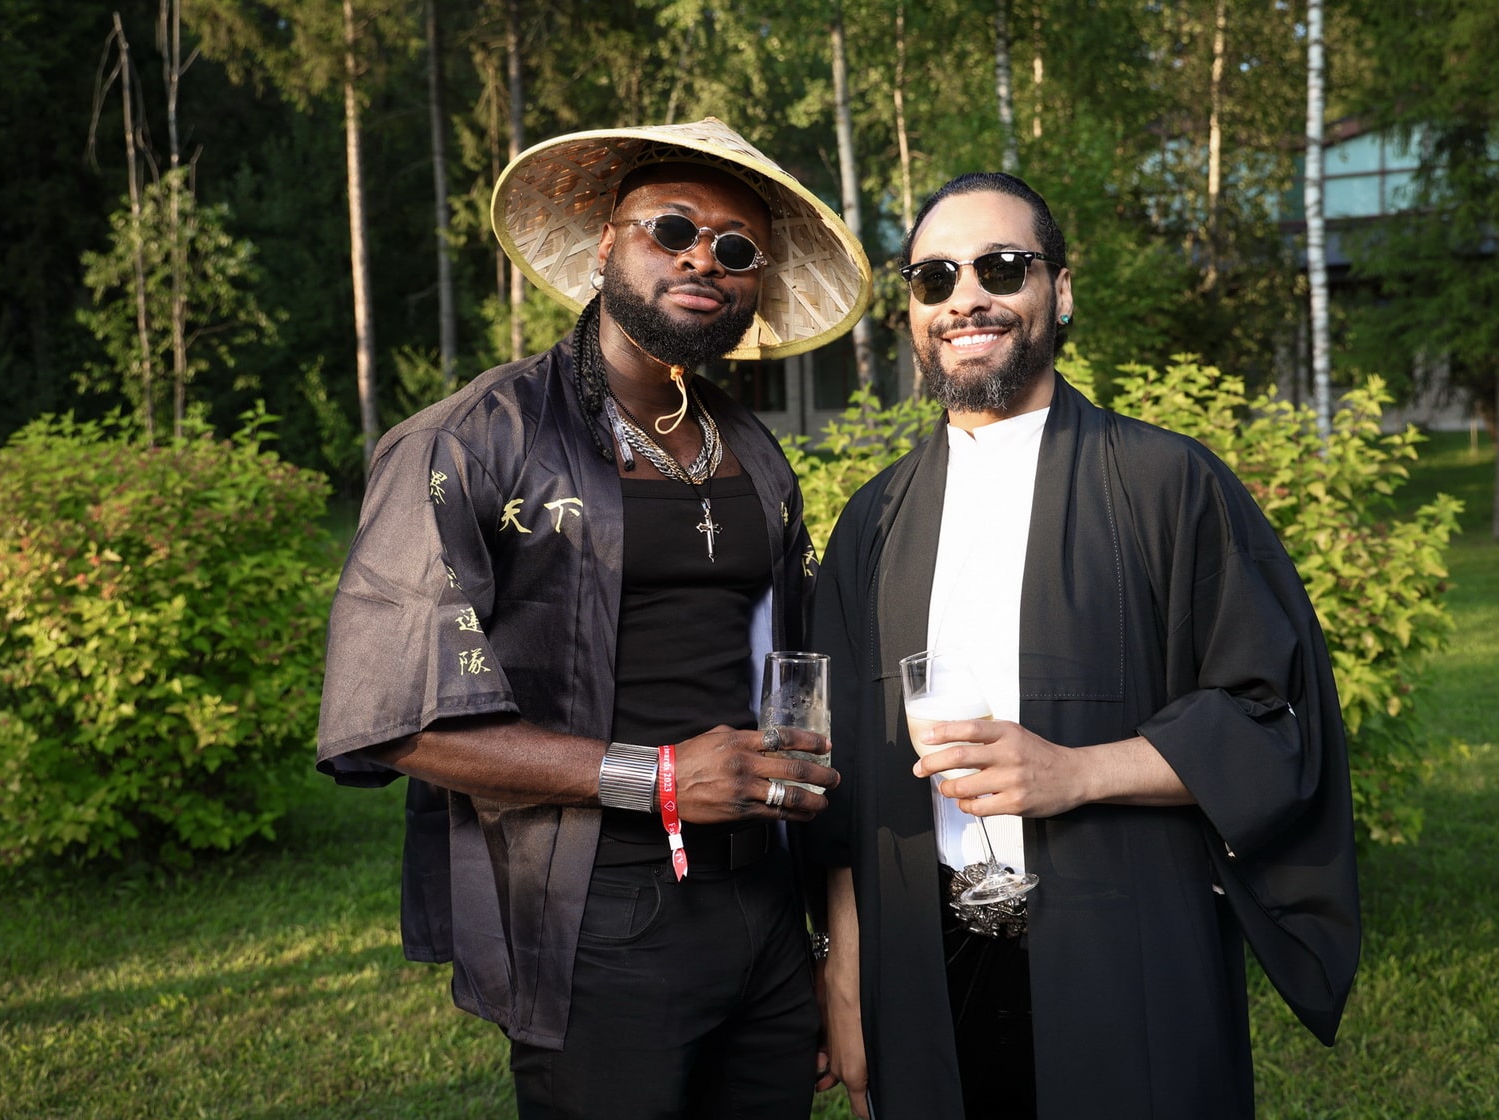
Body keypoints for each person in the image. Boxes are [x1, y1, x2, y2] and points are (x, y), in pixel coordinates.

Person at [316, 118, 871, 1119]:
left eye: (737, 247)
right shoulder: (472, 440)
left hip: (763, 908)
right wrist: (658, 777)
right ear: (607, 244)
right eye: (674, 228)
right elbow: (394, 714)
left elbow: (794, 669)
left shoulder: (754, 449)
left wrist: (826, 944)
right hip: (597, 910)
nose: (704, 258)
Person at [807, 172, 1361, 1119]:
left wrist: (1077, 772)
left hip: (1124, 948)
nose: (965, 298)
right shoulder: (875, 520)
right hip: (923, 964)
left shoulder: (1167, 484)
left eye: (1001, 267)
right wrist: (848, 980)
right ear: (912, 312)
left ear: (1059, 291)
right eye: (934, 278)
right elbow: (844, 778)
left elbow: (1275, 720)